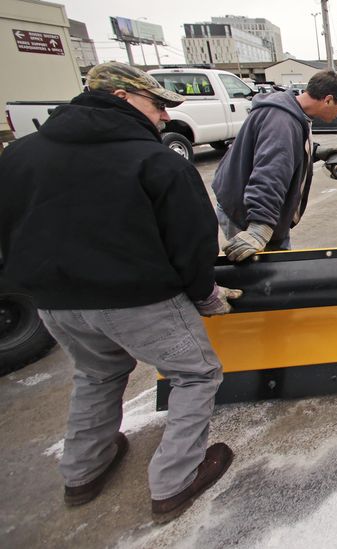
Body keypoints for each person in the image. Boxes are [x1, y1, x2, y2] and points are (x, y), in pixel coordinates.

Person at [0, 62, 239, 523]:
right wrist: (204, 293)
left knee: (96, 374)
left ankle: (82, 473)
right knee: (195, 374)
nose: (165, 117)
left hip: (55, 303)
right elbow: (191, 241)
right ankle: (174, 481)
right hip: (141, 299)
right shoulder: (158, 161)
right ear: (123, 98)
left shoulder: (18, 155)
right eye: (158, 106)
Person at [212, 70, 337, 261]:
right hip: (247, 214)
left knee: (279, 267)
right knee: (267, 276)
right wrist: (259, 228)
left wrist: (314, 151)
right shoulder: (282, 121)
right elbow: (270, 175)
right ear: (328, 99)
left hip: (251, 207)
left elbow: (281, 150)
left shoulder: (291, 112)